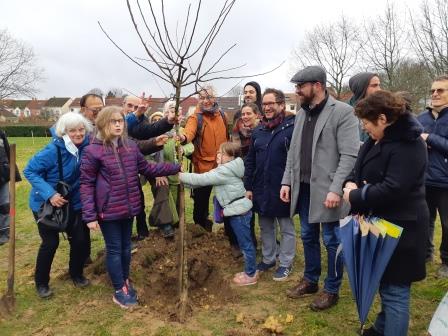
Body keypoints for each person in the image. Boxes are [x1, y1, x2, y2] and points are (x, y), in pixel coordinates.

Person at [343, 90, 428, 336]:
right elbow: (359, 168)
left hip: (403, 229)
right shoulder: (378, 138)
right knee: (386, 284)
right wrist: (350, 183)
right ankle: (382, 328)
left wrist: (355, 195)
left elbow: (394, 188)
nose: (364, 128)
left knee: (395, 291)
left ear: (382, 118)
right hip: (381, 224)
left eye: (367, 123)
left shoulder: (409, 144)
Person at [80, 106, 181, 309]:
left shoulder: (130, 146)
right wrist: (90, 216)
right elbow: (86, 183)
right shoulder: (93, 150)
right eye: (113, 121)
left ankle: (125, 280)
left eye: (120, 121)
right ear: (103, 124)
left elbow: (147, 168)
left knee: (127, 248)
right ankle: (119, 290)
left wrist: (174, 167)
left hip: (128, 206)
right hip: (108, 210)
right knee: (115, 249)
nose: (118, 124)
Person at [281, 66, 359, 310]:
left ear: (317, 85)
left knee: (332, 240)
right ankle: (311, 279)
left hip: (329, 190)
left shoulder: (344, 112)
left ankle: (332, 289)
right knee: (307, 235)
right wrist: (286, 181)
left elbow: (349, 155)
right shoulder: (302, 113)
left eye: (300, 86)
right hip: (304, 188)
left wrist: (337, 189)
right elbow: (293, 151)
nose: (297, 91)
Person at [23, 112, 93, 298]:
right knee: (50, 242)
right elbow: (29, 171)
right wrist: (50, 194)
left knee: (79, 240)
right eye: (73, 131)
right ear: (64, 132)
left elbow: (110, 126)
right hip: (44, 204)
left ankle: (76, 274)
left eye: (81, 129)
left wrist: (136, 117)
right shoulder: (52, 151)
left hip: (73, 202)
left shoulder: (87, 146)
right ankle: (41, 283)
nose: (78, 134)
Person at [179, 142, 255, 285]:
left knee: (245, 244)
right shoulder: (227, 169)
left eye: (224, 154)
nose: (219, 155)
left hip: (239, 212)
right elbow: (201, 181)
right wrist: (184, 179)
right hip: (237, 211)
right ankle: (250, 270)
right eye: (219, 152)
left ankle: (250, 274)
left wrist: (180, 176)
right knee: (244, 242)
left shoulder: (224, 171)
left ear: (232, 158)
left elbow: (202, 179)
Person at [244, 88, 296, 281]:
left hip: (283, 187)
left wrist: (289, 183)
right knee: (265, 225)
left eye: (270, 104)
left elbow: (295, 159)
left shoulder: (291, 128)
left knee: (286, 226)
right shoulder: (258, 131)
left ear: (281, 105)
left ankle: (285, 262)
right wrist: (248, 186)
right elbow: (250, 160)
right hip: (261, 187)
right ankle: (268, 258)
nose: (267, 107)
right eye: (264, 104)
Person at [178, 85, 228, 232]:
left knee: (226, 198)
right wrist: (183, 137)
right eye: (202, 98)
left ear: (215, 98)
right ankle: (200, 228)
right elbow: (189, 132)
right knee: (201, 200)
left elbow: (227, 138)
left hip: (222, 165)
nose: (205, 101)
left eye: (209, 97)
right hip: (203, 166)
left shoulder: (222, 116)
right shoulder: (195, 117)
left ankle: (227, 227)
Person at [417, 74, 448, 278]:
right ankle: (424, 255)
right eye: (433, 91)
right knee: (423, 220)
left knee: (447, 224)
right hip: (423, 180)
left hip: (446, 182)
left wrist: (430, 138)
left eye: (440, 90)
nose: (435, 94)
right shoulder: (421, 118)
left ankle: (446, 261)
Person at [0, 129, 21, 245]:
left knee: (5, 205)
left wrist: (15, 175)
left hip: (1, 176)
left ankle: (5, 232)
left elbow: (8, 153)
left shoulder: (0, 133)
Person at [348, 72, 381, 142]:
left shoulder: (383, 109)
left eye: (379, 85)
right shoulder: (344, 111)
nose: (379, 89)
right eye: (374, 86)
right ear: (361, 87)